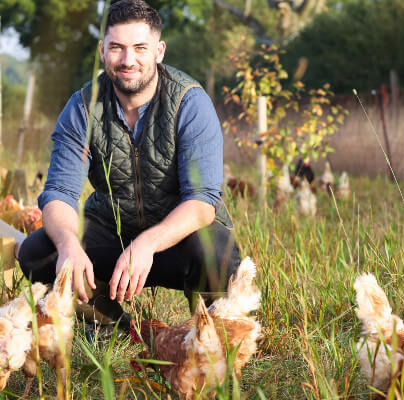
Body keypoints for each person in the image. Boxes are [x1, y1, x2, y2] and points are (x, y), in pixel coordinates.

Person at [17, 0, 241, 327]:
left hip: (177, 236)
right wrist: (68, 245)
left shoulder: (190, 102)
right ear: (102, 50)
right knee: (38, 253)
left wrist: (147, 242)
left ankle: (213, 333)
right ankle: (113, 326)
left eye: (139, 47)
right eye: (117, 48)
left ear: (159, 51)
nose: (128, 60)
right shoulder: (83, 107)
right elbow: (59, 192)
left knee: (216, 253)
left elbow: (202, 201)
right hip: (112, 226)